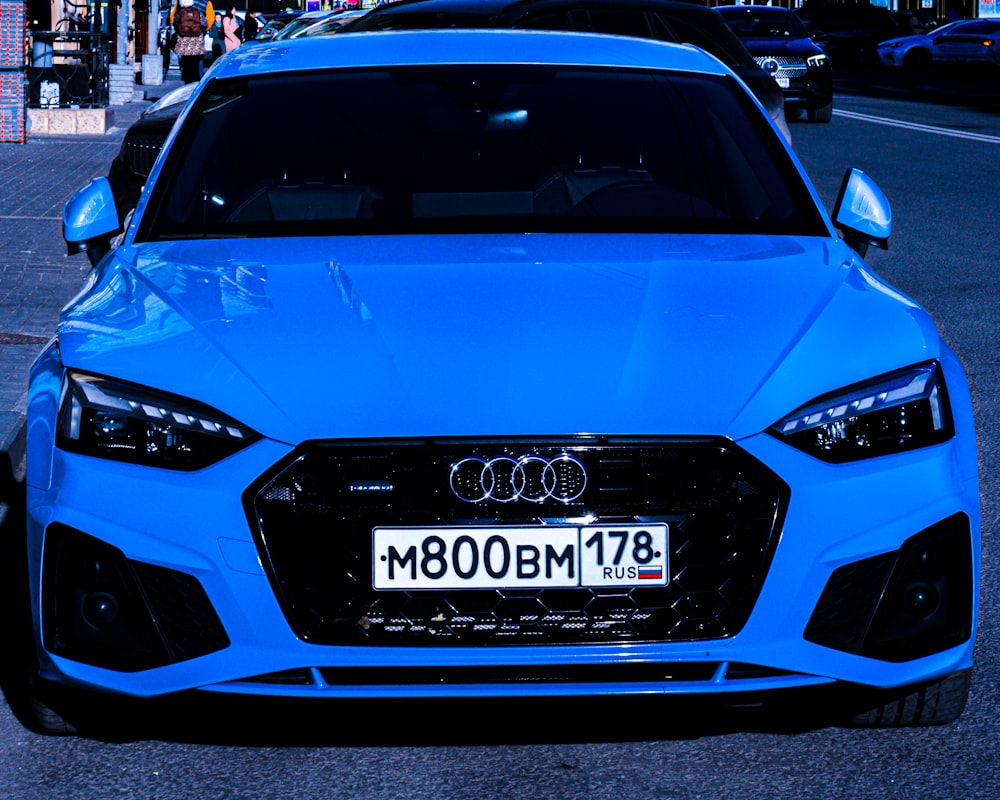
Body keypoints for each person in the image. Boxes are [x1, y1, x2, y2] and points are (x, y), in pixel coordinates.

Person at [173, 0, 208, 84]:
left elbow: (175, 23)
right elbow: (205, 23)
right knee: (195, 61)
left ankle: (187, 80)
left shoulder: (180, 13)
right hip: (196, 40)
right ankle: (195, 80)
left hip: (184, 39)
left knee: (186, 61)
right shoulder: (197, 12)